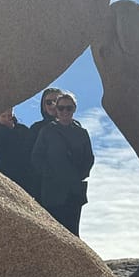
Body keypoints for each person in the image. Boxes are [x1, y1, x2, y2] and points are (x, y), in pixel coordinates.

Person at [31, 91, 94, 236]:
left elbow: (89, 158)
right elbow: (37, 157)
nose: (65, 111)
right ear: (56, 110)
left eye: (69, 108)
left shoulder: (81, 133)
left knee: (72, 233)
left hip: (73, 191)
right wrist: (50, 174)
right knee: (52, 234)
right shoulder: (47, 131)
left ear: (74, 109)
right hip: (52, 191)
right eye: (61, 108)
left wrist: (78, 176)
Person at [0, 109, 33, 192]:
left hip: (24, 177)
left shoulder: (23, 130)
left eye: (9, 116)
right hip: (1, 178)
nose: (6, 119)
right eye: (3, 116)